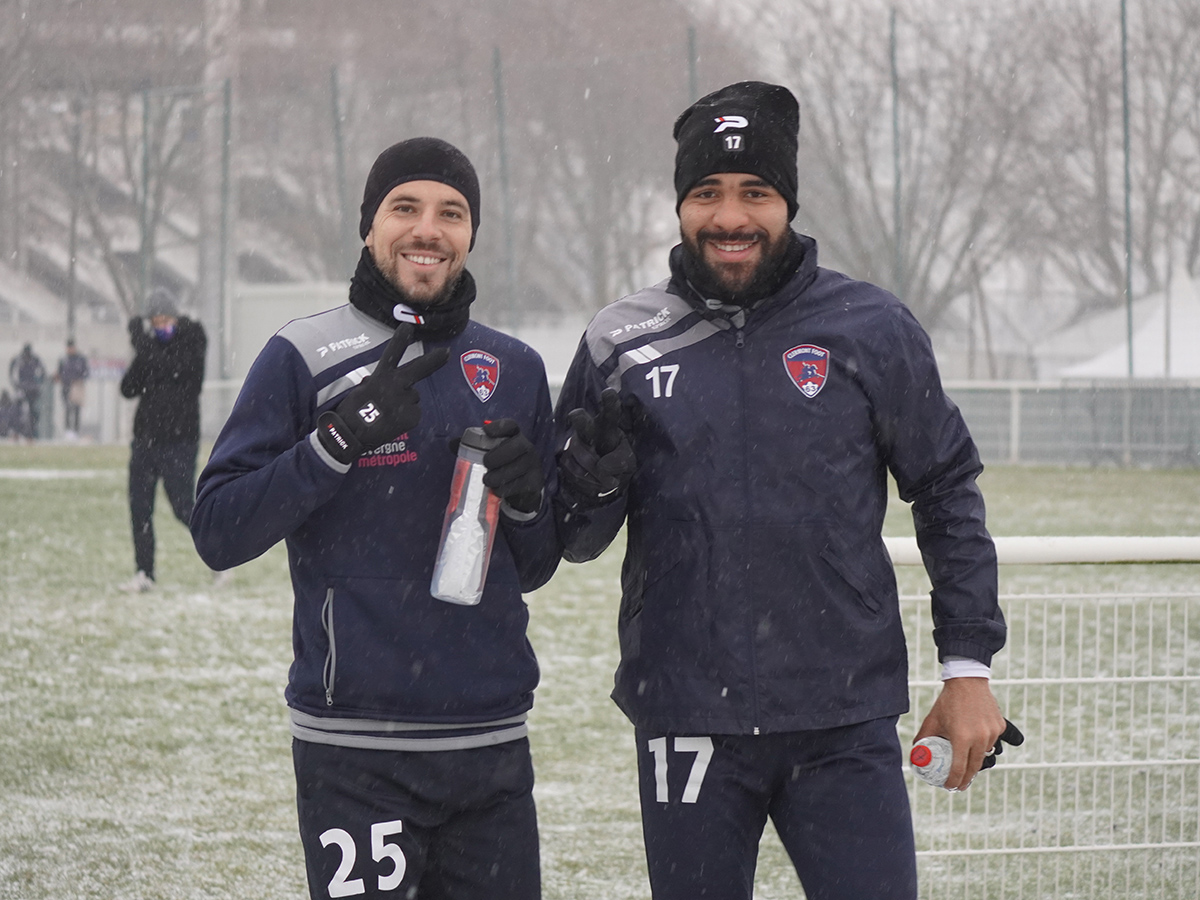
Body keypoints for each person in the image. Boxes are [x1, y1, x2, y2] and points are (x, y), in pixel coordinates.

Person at [553, 81, 1018, 900]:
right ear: (680, 205)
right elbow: (574, 538)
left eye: (755, 193)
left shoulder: (871, 326)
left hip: (842, 715)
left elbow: (946, 487)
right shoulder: (620, 341)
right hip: (685, 713)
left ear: (788, 204)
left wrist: (968, 667)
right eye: (707, 192)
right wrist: (587, 488)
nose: (730, 216)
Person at [190, 138, 560, 900]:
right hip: (355, 751)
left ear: (471, 233)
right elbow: (219, 529)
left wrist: (528, 501)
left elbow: (537, 563)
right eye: (405, 207)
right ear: (369, 226)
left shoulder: (514, 367)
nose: (428, 229)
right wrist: (336, 440)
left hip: (489, 746)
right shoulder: (303, 354)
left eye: (451, 213)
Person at [118, 288, 207, 592]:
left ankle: (220, 553)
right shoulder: (149, 350)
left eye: (165, 320)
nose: (161, 327)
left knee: (183, 506)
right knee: (140, 508)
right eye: (155, 323)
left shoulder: (193, 339)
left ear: (176, 318)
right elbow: (128, 388)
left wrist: (140, 342)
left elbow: (177, 370)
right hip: (146, 440)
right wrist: (140, 354)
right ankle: (145, 572)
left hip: (180, 440)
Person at [9, 343, 47, 439]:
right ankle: (17, 431)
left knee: (32, 412)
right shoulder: (19, 359)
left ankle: (31, 432)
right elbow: (11, 371)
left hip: (32, 390)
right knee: (18, 410)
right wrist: (16, 385)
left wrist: (38, 384)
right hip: (22, 389)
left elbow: (43, 372)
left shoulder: (35, 359)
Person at [55, 338, 90, 438]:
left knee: (76, 409)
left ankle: (76, 431)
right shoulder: (63, 359)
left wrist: (79, 379)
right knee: (67, 408)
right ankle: (68, 431)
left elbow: (86, 372)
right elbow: (60, 372)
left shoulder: (80, 359)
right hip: (66, 386)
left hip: (77, 387)